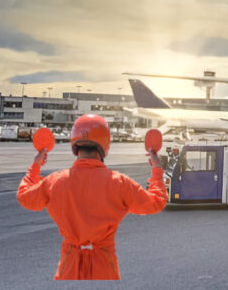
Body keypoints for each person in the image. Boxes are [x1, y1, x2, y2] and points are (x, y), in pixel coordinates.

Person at [17, 114, 167, 280]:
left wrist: (35, 166)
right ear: (105, 145)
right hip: (104, 266)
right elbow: (157, 202)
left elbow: (24, 196)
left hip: (69, 267)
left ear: (74, 144)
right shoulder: (119, 183)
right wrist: (157, 169)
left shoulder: (55, 181)